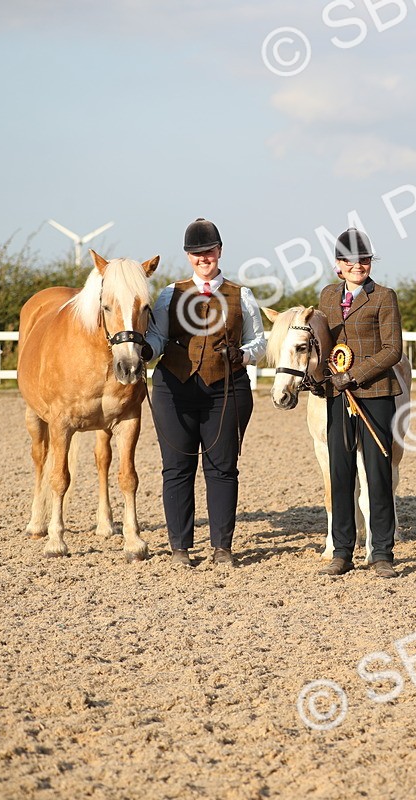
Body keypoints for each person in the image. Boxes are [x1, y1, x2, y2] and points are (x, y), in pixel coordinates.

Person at [145, 218, 266, 568]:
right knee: (176, 467)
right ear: (188, 256)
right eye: (196, 253)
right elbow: (158, 336)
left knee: (222, 467)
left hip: (225, 389)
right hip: (174, 388)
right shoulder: (170, 294)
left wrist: (243, 355)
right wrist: (144, 351)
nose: (203, 258)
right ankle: (180, 548)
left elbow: (259, 341)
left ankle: (222, 547)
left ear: (220, 251)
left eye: (209, 251)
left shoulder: (242, 295)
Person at [318, 228, 403, 578]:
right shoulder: (327, 296)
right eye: (351, 261)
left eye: (364, 260)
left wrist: (353, 375)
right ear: (339, 264)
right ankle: (342, 551)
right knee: (340, 473)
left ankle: (381, 552)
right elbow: (321, 344)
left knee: (378, 473)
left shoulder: (383, 297)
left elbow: (393, 350)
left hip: (376, 394)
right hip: (337, 397)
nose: (358, 265)